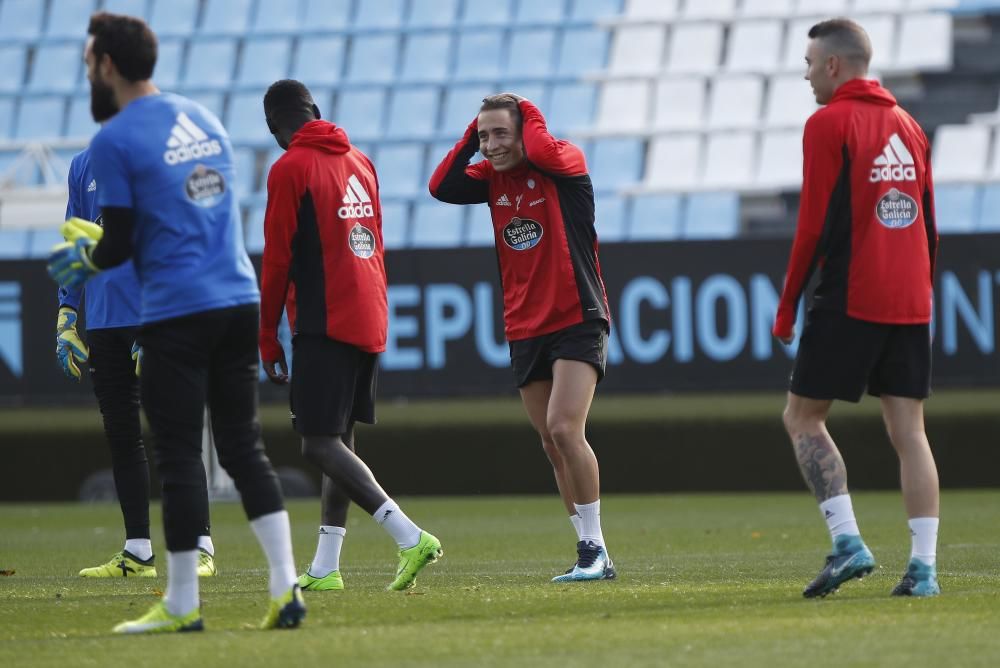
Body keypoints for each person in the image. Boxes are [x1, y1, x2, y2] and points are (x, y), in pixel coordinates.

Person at [48, 12, 304, 632]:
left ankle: (183, 605)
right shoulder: (203, 119)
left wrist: (82, 258)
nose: (87, 72)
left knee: (179, 454)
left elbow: (121, 244)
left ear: (107, 65)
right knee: (244, 447)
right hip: (236, 296)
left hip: (176, 308)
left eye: (88, 62)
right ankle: (285, 589)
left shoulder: (111, 141)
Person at [773, 18, 940, 598]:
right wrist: (924, 289)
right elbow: (929, 222)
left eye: (810, 63)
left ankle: (848, 543)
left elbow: (812, 223)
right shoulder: (910, 126)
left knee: (803, 417)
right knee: (909, 432)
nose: (807, 72)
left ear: (834, 66)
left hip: (852, 294)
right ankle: (923, 570)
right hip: (911, 298)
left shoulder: (829, 123)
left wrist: (790, 302)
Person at [258, 79, 442, 592]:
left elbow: (277, 259)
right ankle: (325, 566)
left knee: (317, 444)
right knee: (340, 440)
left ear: (275, 127)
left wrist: (268, 336)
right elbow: (376, 242)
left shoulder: (290, 167)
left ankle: (409, 537)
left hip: (324, 318)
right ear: (314, 109)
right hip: (369, 312)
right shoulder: (361, 161)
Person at [429, 93, 615, 582]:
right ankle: (586, 549)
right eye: (483, 136)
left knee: (563, 429)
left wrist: (525, 112)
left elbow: (545, 150)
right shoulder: (490, 180)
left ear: (527, 130)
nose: (490, 146)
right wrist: (474, 136)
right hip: (524, 326)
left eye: (500, 134)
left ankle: (598, 549)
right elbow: (440, 186)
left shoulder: (564, 163)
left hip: (577, 315)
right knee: (551, 445)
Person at [57, 110, 216, 582]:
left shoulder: (159, 161)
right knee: (122, 435)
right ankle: (138, 550)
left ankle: (202, 546)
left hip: (157, 318)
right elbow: (74, 242)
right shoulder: (83, 165)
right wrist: (67, 313)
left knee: (177, 435)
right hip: (104, 321)